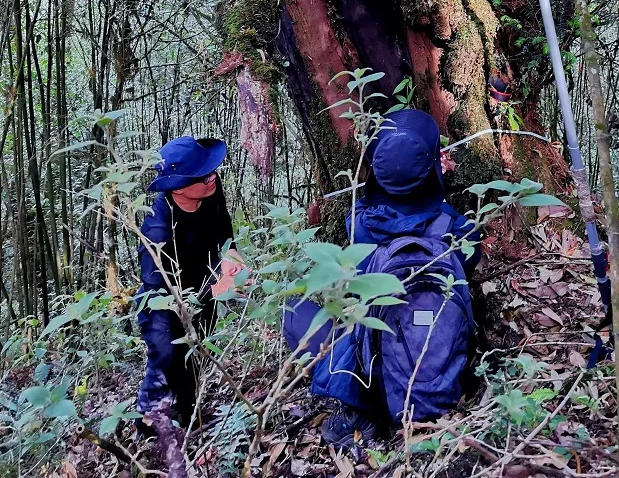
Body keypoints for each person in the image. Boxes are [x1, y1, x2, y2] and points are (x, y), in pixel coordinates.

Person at [283, 109, 480, 448]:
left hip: (378, 384)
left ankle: (360, 412)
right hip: (445, 379)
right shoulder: (458, 230)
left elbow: (379, 215)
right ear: (434, 166)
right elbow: (466, 257)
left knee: (290, 309)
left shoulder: (358, 226)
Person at [136, 135, 237, 431]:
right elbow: (158, 289)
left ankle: (191, 418)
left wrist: (230, 252)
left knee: (196, 353)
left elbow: (222, 225)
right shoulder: (157, 228)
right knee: (167, 357)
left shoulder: (210, 193)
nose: (213, 177)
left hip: (200, 290)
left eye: (212, 170)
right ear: (178, 186)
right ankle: (148, 422)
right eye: (204, 175)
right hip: (162, 304)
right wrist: (213, 289)